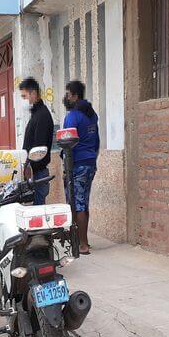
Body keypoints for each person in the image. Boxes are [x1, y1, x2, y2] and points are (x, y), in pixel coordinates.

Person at [62, 80, 99, 255]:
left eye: (68, 94)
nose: (66, 97)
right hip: (90, 163)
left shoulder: (72, 116)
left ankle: (81, 244)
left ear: (75, 96)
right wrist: (93, 159)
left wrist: (66, 165)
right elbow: (96, 141)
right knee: (83, 201)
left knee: (77, 204)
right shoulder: (91, 114)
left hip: (77, 165)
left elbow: (67, 144)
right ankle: (85, 241)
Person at [19, 77, 54, 205]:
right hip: (34, 172)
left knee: (37, 211)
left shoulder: (42, 115)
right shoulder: (35, 114)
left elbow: (39, 149)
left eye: (24, 96)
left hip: (38, 173)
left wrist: (30, 167)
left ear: (33, 93)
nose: (23, 101)